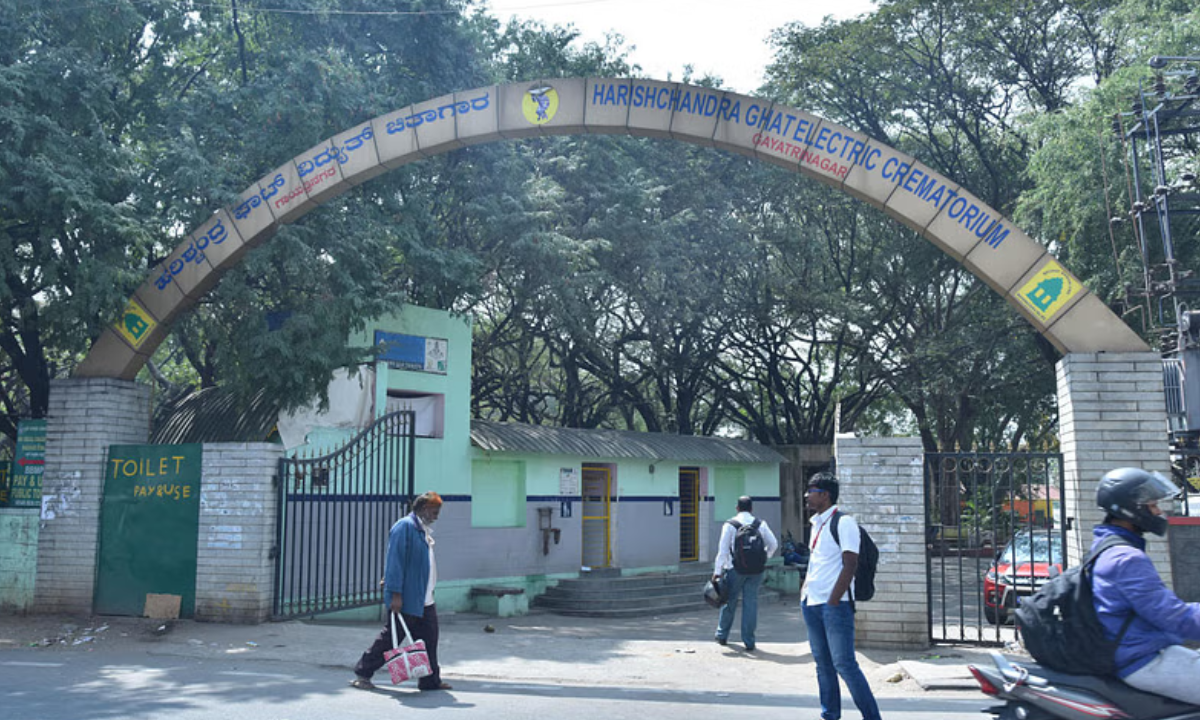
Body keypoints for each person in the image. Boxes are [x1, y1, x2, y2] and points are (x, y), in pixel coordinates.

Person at [1091, 467, 1200, 704]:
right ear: (1132, 508)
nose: (1159, 511)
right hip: (1141, 658)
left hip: (1141, 647)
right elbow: (1172, 616)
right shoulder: (1126, 558)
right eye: (1152, 505)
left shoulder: (1107, 548)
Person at [351, 491, 453, 691]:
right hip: (406, 598)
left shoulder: (421, 529)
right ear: (423, 508)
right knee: (391, 639)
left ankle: (429, 681)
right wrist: (395, 593)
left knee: (429, 639)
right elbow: (394, 561)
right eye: (434, 511)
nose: (437, 516)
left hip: (425, 598)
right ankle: (363, 673)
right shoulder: (404, 527)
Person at [801, 472, 882, 720]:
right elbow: (817, 563)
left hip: (834, 606)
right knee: (823, 666)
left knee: (845, 665)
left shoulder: (844, 522)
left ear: (825, 495)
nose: (807, 496)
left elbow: (851, 564)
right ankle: (830, 715)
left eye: (811, 491)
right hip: (811, 603)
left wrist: (834, 599)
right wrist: (804, 594)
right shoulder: (816, 523)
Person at [713, 495, 778, 651]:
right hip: (756, 570)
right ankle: (749, 641)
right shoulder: (760, 524)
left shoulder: (730, 525)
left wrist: (717, 572)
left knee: (730, 601)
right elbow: (773, 544)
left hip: (734, 569)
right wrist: (764, 558)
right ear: (751, 508)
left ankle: (722, 635)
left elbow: (722, 551)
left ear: (737, 508)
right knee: (751, 603)